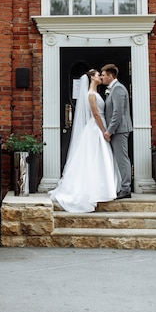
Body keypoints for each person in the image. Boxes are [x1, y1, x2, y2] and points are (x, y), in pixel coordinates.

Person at [49, 69, 120, 212]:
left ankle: (106, 187)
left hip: (100, 127)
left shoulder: (96, 93)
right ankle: (98, 189)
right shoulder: (91, 95)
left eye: (101, 74)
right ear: (92, 78)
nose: (100, 76)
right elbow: (96, 115)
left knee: (101, 157)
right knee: (96, 157)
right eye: (98, 74)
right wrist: (104, 131)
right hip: (96, 128)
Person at [101, 64, 133, 199]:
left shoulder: (118, 88)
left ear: (110, 75)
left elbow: (118, 112)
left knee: (122, 158)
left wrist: (109, 131)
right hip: (117, 130)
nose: (102, 77)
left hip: (120, 130)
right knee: (119, 158)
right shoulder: (112, 89)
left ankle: (126, 188)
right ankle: (121, 186)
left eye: (103, 75)